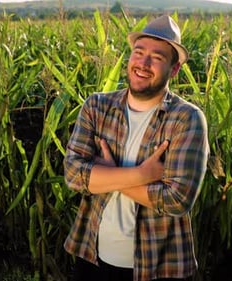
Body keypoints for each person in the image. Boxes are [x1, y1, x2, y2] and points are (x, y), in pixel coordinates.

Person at [63, 14, 209, 281]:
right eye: (138, 52)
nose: (143, 63)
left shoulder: (186, 118)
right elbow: (73, 175)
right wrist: (143, 174)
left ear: (174, 70)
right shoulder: (97, 107)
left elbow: (177, 200)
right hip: (93, 257)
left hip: (159, 265)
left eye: (157, 57)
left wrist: (104, 175)